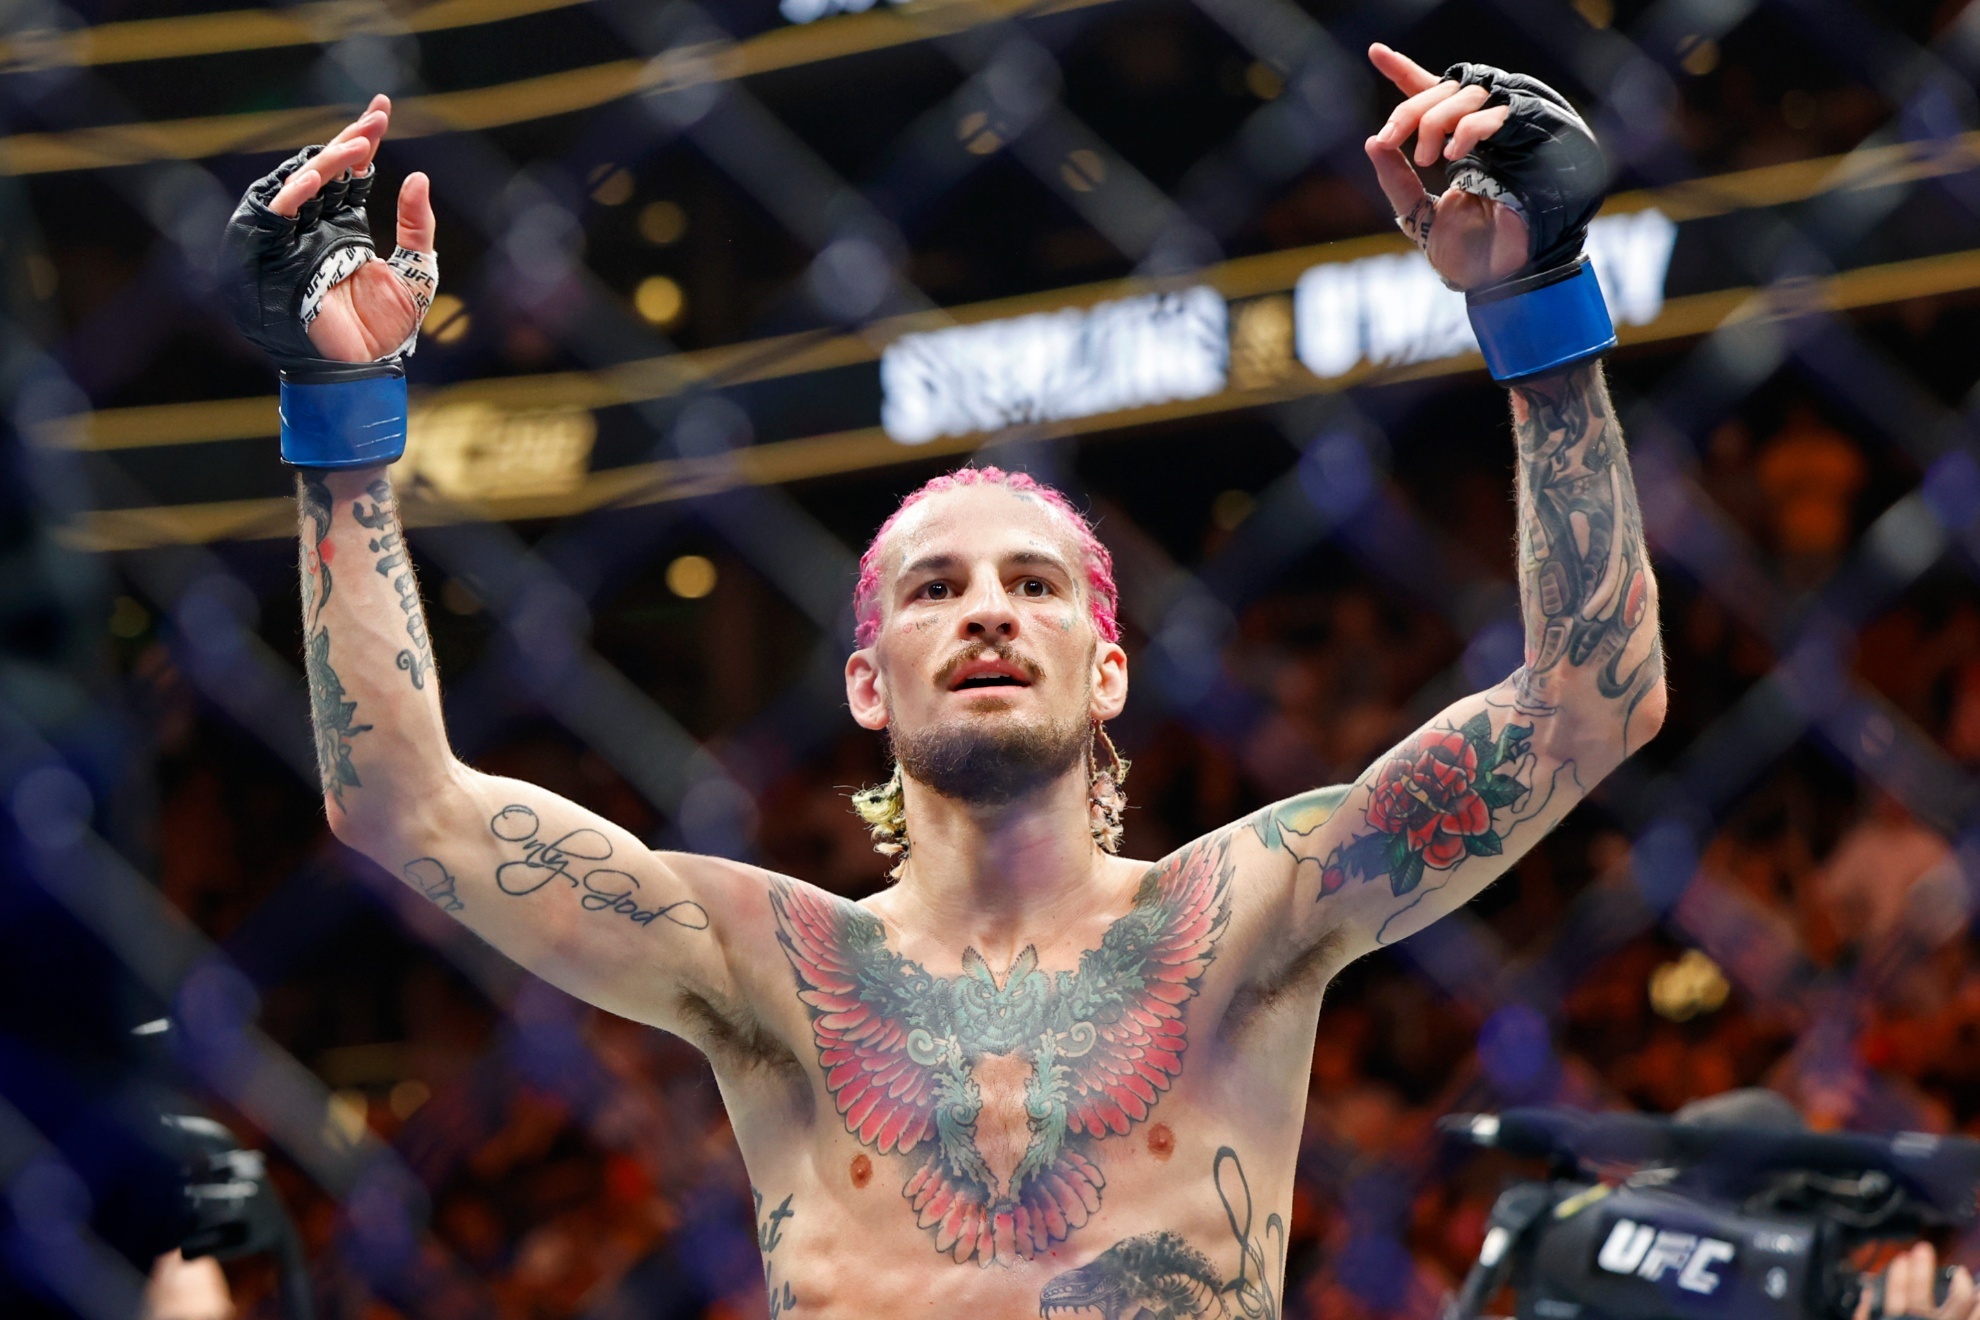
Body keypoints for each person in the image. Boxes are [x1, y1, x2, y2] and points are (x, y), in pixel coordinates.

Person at [220, 42, 1666, 1315]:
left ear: (1107, 672)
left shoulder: (1244, 915)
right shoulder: (766, 965)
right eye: (936, 588)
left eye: (1033, 584)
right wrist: (341, 417)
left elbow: (1592, 705)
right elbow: (403, 801)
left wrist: (1539, 307)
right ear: (867, 683)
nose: (987, 610)